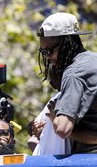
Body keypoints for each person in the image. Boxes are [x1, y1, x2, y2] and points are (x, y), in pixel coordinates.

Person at [36, 12, 97, 153]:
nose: (48, 57)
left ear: (67, 44)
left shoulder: (74, 73)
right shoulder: (93, 59)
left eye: (49, 51)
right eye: (43, 52)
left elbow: (63, 129)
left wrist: (53, 118)